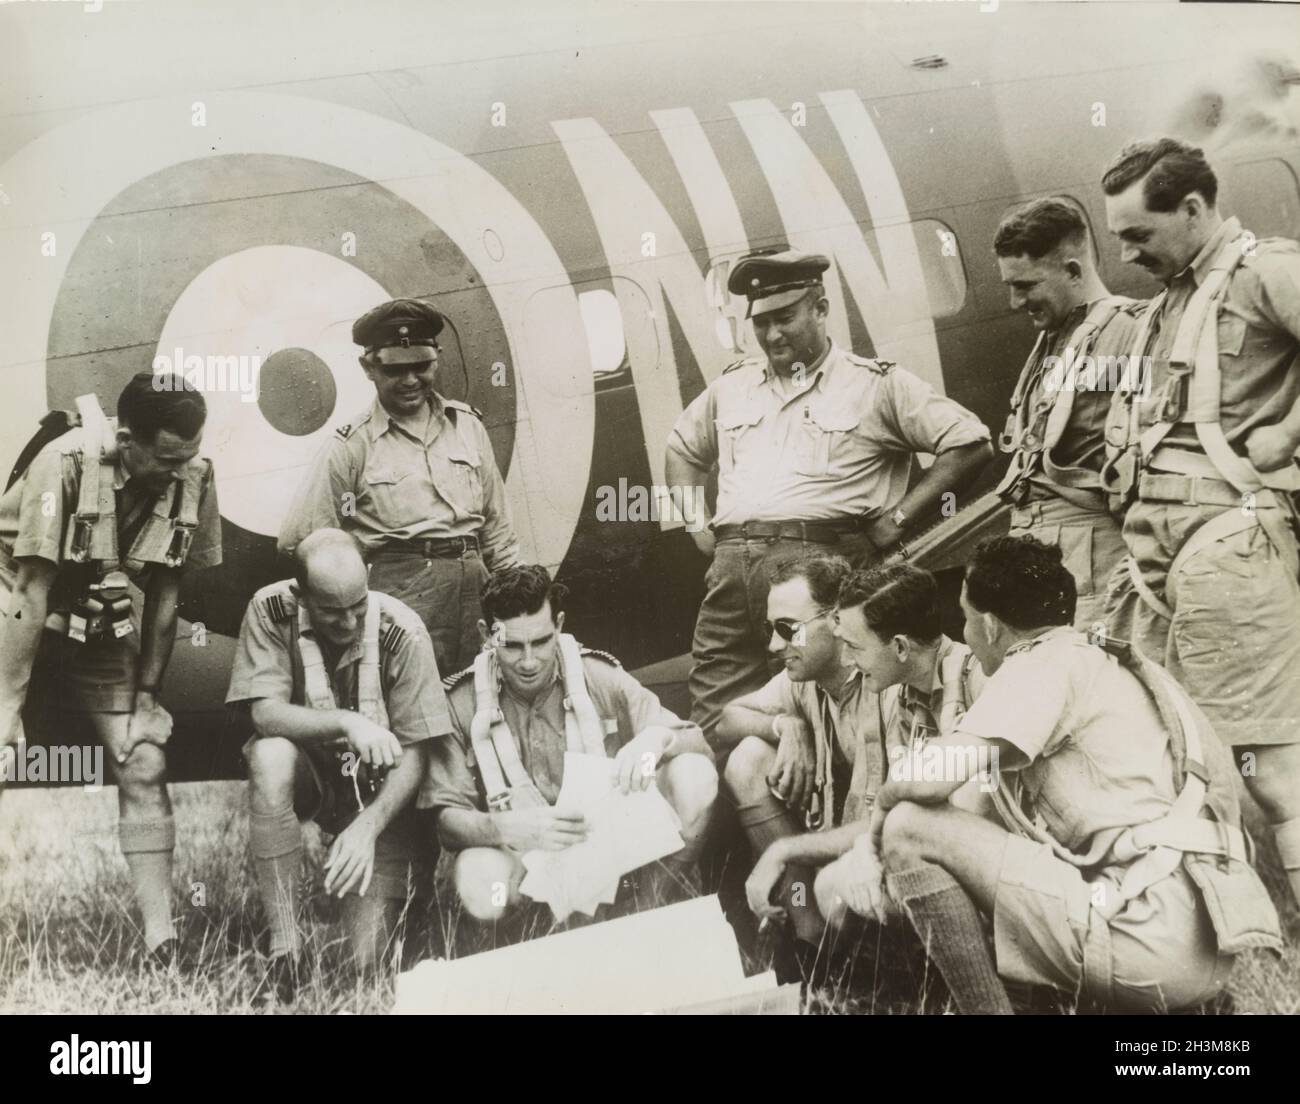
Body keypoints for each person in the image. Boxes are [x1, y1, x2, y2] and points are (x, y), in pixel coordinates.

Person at [861, 537, 1281, 1014]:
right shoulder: (1108, 659)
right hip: (1206, 939)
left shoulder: (1041, 664)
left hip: (1145, 936)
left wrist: (879, 814)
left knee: (909, 828)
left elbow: (926, 780)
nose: (965, 634)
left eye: (965, 618)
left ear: (992, 627)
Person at [666, 249, 992, 745]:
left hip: (822, 571)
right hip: (733, 576)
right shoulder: (731, 387)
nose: (773, 335)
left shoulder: (875, 384)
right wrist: (698, 526)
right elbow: (682, 450)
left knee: (853, 711)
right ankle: (762, 811)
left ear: (820, 309)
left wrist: (899, 518)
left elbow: (969, 442)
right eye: (762, 322)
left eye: (786, 318)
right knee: (718, 720)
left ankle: (854, 814)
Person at [1099, 137, 1300, 908]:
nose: (1125, 254)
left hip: (1227, 545)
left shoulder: (1264, 272)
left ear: (1192, 208)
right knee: (1166, 752)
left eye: (1138, 234)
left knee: (1275, 771)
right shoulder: (1176, 299)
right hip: (1156, 562)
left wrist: (1287, 434)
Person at [0, 372, 221, 964]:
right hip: (13, 607)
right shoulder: (64, 462)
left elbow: (168, 595)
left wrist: (147, 695)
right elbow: (29, 587)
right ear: (125, 440)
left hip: (93, 618)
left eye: (190, 454)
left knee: (143, 759)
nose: (179, 470)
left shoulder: (192, 473)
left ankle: (162, 940)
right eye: (166, 456)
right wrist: (6, 710)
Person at [418, 564, 718, 924]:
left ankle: (643, 917)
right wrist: (511, 827)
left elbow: (696, 743)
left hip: (613, 853)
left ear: (559, 625)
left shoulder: (597, 675)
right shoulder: (462, 703)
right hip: (523, 860)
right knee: (481, 882)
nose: (529, 661)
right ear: (486, 634)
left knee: (695, 778)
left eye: (541, 641)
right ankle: (522, 943)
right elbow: (448, 821)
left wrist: (656, 739)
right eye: (511, 646)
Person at [226, 529, 450, 1002]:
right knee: (268, 755)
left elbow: (417, 752)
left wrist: (368, 827)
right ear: (301, 594)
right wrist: (348, 722)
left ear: (368, 579)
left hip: (379, 799)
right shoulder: (270, 610)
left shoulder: (403, 630)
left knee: (365, 963)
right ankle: (286, 947)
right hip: (318, 777)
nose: (348, 622)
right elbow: (264, 713)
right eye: (331, 611)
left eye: (357, 607)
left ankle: (410, 892)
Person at [278, 297, 520, 675]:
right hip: (400, 601)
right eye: (395, 370)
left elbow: (497, 531)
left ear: (436, 359)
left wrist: (517, 605)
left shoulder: (468, 426)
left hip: (477, 594)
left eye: (421, 366)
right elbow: (303, 541)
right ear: (368, 367)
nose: (410, 380)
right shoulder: (351, 446)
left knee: (485, 698)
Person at [992, 197, 1145, 630]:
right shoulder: (1057, 339)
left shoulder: (1130, 333)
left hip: (1093, 569)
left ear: (1074, 271)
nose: (1014, 301)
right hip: (1044, 561)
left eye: (1025, 285)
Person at [716, 552, 880, 946]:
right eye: (771, 629)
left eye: (789, 629)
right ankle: (810, 932)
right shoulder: (805, 679)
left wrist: (787, 850)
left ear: (836, 619)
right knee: (748, 759)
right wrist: (784, 725)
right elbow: (727, 719)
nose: (774, 645)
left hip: (891, 840)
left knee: (835, 889)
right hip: (845, 842)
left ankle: (880, 958)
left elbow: (895, 820)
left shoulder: (884, 676)